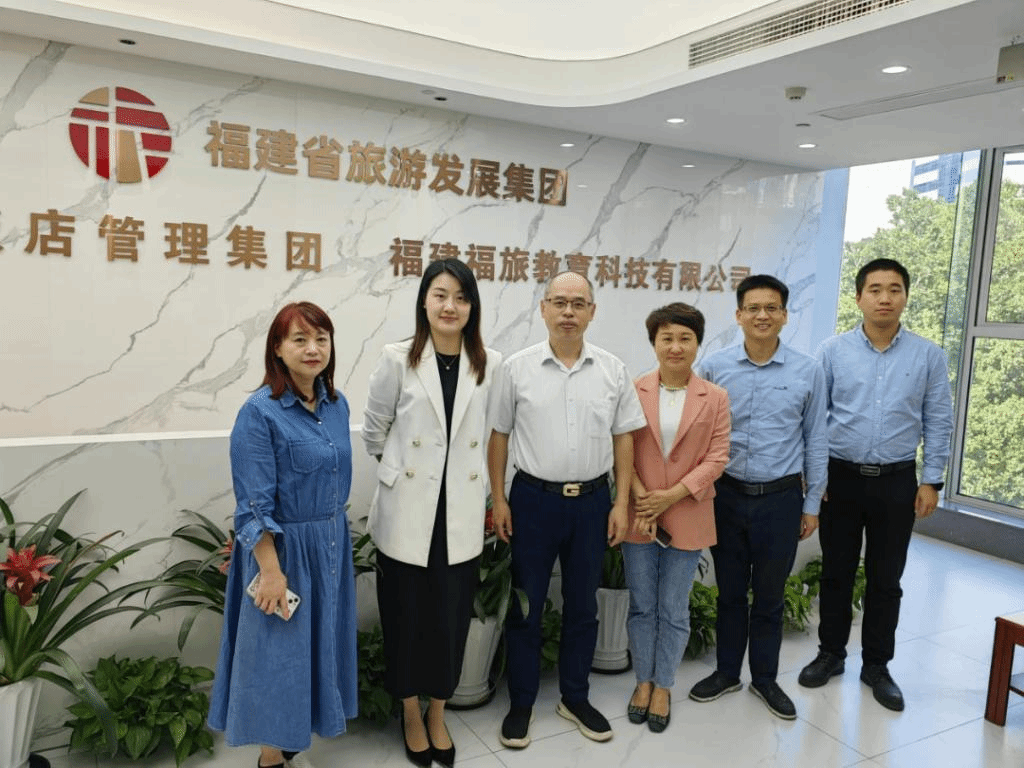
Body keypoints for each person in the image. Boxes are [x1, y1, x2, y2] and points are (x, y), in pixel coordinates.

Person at [487, 270, 646, 749]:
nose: (568, 312)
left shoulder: (613, 369)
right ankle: (521, 701)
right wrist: (499, 499)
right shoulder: (516, 368)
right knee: (526, 606)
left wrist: (620, 502)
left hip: (593, 504)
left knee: (583, 606)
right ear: (543, 309)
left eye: (578, 303)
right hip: (532, 501)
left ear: (592, 311)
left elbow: (624, 438)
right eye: (559, 302)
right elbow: (499, 436)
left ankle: (575, 697)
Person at [798, 258, 954, 712]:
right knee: (836, 572)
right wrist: (815, 476)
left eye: (894, 289)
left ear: (905, 296)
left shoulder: (928, 355)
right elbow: (814, 419)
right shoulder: (832, 351)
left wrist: (932, 480)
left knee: (886, 580)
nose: (885, 298)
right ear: (859, 297)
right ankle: (830, 654)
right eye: (875, 289)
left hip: (897, 482)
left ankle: (877, 666)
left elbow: (939, 421)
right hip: (840, 479)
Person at [362, 258, 500, 768]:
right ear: (424, 301)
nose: (450, 306)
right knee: (404, 621)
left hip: (459, 516)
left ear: (472, 307)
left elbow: (491, 433)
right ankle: (410, 713)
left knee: (450, 624)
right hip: (407, 514)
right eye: (440, 295)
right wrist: (407, 475)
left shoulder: (489, 363)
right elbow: (374, 431)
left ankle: (438, 711)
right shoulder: (397, 358)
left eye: (461, 298)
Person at [209, 301, 357, 768]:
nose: (313, 349)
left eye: (321, 339)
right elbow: (252, 507)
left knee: (317, 649)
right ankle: (270, 758)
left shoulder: (336, 404)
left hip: (329, 548)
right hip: (283, 554)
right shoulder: (259, 412)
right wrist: (271, 573)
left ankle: (292, 742)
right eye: (300, 339)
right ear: (277, 348)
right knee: (278, 659)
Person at [688, 274, 827, 720]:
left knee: (769, 596)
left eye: (771, 308)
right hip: (726, 495)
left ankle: (765, 679)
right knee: (729, 592)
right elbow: (698, 436)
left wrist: (811, 505)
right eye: (753, 308)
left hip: (781, 499)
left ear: (784, 315)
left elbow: (816, 440)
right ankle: (727, 673)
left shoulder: (808, 370)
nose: (762, 315)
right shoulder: (715, 367)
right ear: (739, 315)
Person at [624, 302, 730, 733]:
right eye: (666, 337)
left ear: (697, 343)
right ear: (654, 343)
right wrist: (643, 498)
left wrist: (669, 496)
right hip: (640, 513)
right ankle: (642, 681)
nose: (675, 346)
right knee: (642, 606)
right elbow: (621, 450)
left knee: (673, 607)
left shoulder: (715, 397)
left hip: (687, 510)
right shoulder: (633, 390)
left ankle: (664, 685)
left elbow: (718, 457)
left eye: (685, 338)